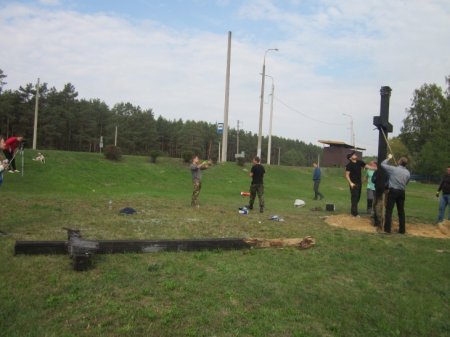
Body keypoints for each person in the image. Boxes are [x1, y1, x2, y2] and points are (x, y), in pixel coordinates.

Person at [381, 154, 410, 234]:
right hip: (402, 192)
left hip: (393, 191)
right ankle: (402, 230)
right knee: (401, 212)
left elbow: (382, 164)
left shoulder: (393, 169)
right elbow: (406, 182)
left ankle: (387, 229)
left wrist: (388, 158)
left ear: (400, 162)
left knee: (389, 210)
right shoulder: (408, 172)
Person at [345, 151, 374, 217]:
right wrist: (351, 183)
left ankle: (353, 212)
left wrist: (376, 168)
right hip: (353, 184)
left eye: (355, 154)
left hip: (359, 183)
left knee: (358, 198)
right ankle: (354, 214)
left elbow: (368, 166)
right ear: (350, 158)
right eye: (353, 155)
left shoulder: (359, 162)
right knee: (354, 198)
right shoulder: (349, 165)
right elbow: (347, 175)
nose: (355, 155)